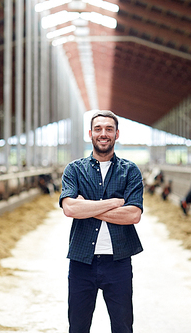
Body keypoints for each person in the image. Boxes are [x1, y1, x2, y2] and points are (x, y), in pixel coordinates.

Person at [59, 110, 144, 333]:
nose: (103, 134)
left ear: (117, 134)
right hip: (81, 263)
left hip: (118, 262)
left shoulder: (130, 171)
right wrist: (114, 203)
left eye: (108, 129)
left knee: (123, 326)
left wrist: (87, 207)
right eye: (98, 129)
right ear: (90, 134)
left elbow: (133, 215)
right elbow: (69, 208)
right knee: (78, 327)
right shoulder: (74, 170)